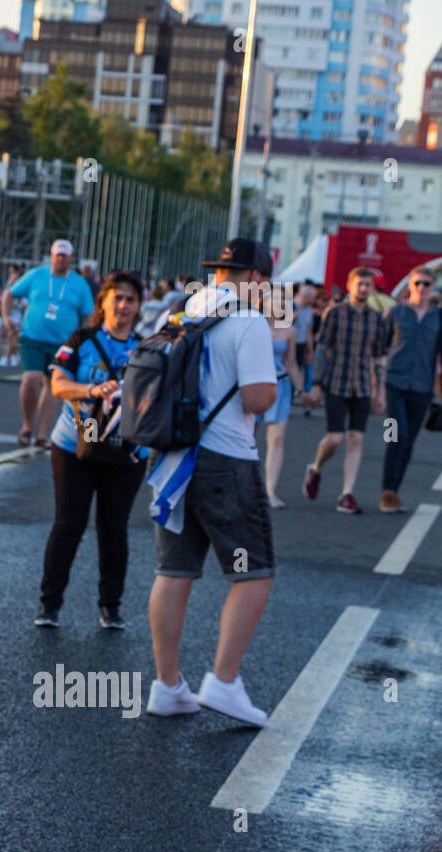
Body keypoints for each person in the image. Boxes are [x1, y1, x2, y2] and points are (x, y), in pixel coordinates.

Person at [144, 238, 277, 727]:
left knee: (174, 571)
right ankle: (223, 681)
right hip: (226, 461)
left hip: (172, 459)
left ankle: (168, 684)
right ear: (257, 277)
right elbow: (260, 398)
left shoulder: (180, 311)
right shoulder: (248, 320)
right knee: (254, 571)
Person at [35, 271, 148, 630]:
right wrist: (92, 391)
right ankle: (49, 605)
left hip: (126, 451)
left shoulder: (147, 348)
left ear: (139, 306)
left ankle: (110, 608)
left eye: (131, 298)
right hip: (74, 445)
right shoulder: (82, 339)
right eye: (117, 297)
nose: (124, 305)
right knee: (69, 524)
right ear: (103, 302)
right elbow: (57, 384)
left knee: (114, 528)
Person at [300, 267, 392, 515]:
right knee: (335, 438)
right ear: (350, 285)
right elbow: (322, 349)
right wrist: (317, 385)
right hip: (336, 382)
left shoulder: (376, 319)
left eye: (368, 285)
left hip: (362, 384)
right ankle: (316, 468)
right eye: (360, 284)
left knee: (356, 438)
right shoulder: (335, 313)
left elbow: (380, 357)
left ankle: (347, 493)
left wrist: (379, 390)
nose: (364, 288)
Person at [11, 239, 95, 447]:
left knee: (52, 385)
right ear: (52, 255)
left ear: (71, 258)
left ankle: (41, 434)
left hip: (63, 344)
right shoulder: (37, 274)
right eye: (57, 255)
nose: (60, 259)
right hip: (33, 338)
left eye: (65, 256)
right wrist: (6, 318)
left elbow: (88, 314)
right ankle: (27, 426)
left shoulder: (79, 283)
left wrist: (83, 339)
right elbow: (9, 294)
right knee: (31, 379)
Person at [378, 267, 442, 512]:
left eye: (426, 284)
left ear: (432, 287)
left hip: (422, 387)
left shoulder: (438, 317)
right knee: (395, 435)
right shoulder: (395, 312)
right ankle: (386, 491)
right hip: (394, 384)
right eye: (417, 283)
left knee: (408, 442)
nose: (422, 288)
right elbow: (381, 350)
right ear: (410, 286)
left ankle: (393, 491)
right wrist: (378, 389)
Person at [260, 282, 305, 509]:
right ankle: (246, 488)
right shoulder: (254, 324)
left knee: (277, 437)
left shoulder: (290, 329)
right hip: (255, 385)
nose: (279, 303)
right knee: (247, 437)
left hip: (281, 385)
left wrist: (301, 390)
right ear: (264, 302)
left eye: (283, 300)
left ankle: (269, 491)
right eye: (274, 299)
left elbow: (291, 363)